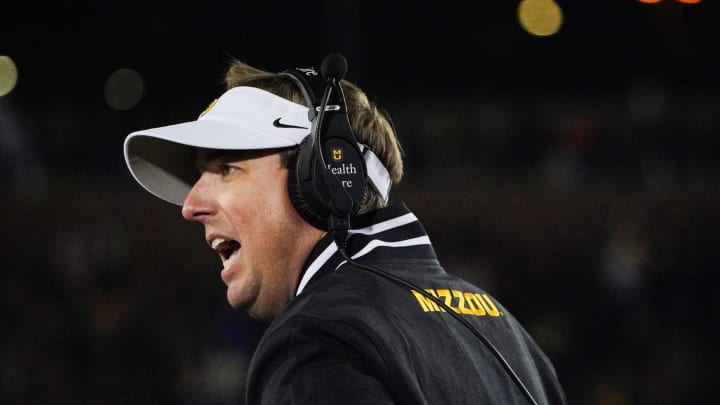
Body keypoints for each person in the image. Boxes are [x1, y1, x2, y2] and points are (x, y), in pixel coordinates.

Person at [123, 53, 567, 404]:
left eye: (227, 169)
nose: (191, 206)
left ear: (323, 180)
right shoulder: (506, 332)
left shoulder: (319, 336)